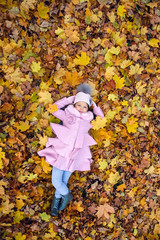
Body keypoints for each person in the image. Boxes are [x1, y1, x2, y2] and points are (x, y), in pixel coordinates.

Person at [38, 83, 104, 216]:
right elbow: (53, 108)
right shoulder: (67, 115)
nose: (81, 108)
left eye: (85, 106)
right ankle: (66, 195)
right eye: (79, 104)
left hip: (75, 155)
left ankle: (56, 201)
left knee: (63, 181)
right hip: (62, 152)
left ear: (88, 108)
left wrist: (95, 106)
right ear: (74, 104)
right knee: (56, 181)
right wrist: (69, 99)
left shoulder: (89, 121)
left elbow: (101, 119)